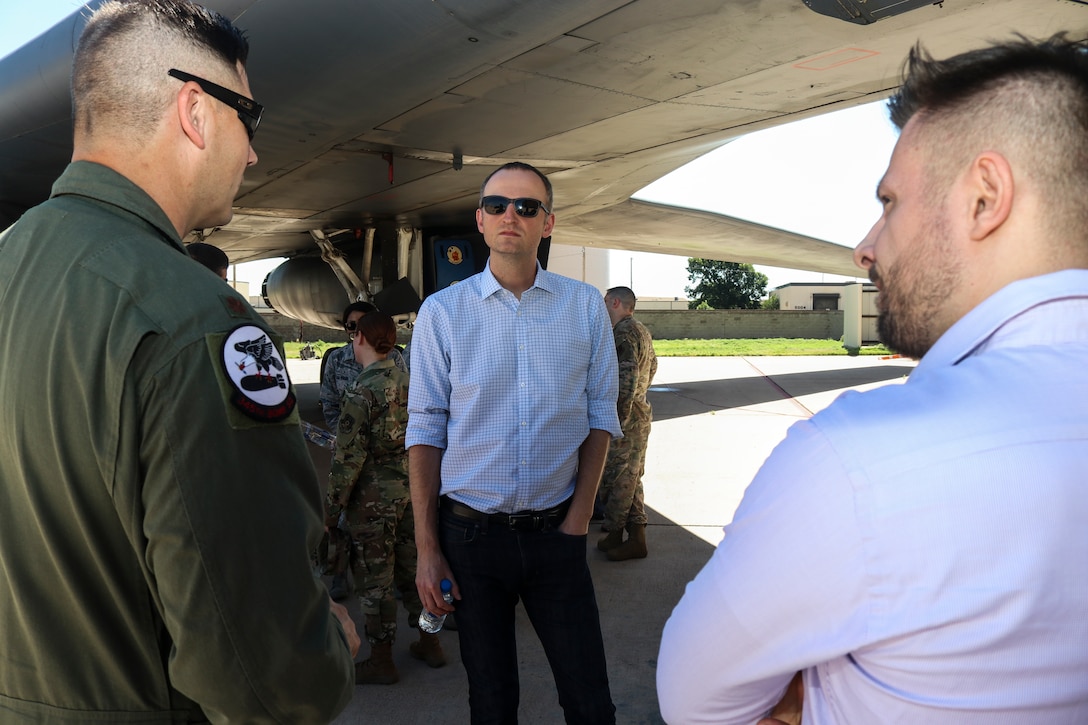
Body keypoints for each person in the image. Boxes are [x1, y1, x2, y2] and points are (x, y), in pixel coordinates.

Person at [657, 35, 1088, 724]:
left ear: (985, 198)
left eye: (889, 202)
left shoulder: (857, 461)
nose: (865, 247)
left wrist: (815, 691)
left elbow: (695, 703)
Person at [0, 1, 358, 722]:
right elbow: (257, 676)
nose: (252, 154)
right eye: (248, 119)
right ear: (195, 112)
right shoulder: (194, 320)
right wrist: (328, 655)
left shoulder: (13, 260)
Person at [407, 161, 622, 723]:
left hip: (557, 534)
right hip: (470, 539)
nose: (511, 216)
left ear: (546, 223)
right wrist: (428, 550)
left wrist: (578, 521)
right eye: (497, 205)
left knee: (590, 700)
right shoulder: (442, 313)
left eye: (527, 207)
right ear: (480, 219)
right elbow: (425, 430)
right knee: (492, 701)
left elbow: (601, 416)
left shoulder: (584, 307)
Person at [325, 311, 447, 685]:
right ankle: (430, 641)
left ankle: (381, 660)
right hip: (414, 494)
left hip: (372, 502)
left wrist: (330, 511)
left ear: (360, 338)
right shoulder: (412, 383)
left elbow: (348, 459)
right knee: (415, 570)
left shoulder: (361, 390)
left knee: (375, 581)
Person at [596, 286, 657, 561]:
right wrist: (639, 397)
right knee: (631, 478)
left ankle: (618, 532)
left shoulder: (623, 333)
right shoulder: (641, 330)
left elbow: (626, 379)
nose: (603, 306)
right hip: (639, 415)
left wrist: (617, 421)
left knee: (617, 479)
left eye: (605, 301)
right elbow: (652, 367)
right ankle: (634, 537)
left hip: (627, 421)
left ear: (616, 303)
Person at [320, 300, 407, 430]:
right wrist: (341, 433)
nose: (356, 330)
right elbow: (329, 402)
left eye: (362, 325)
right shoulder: (337, 358)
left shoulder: (393, 356)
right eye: (351, 325)